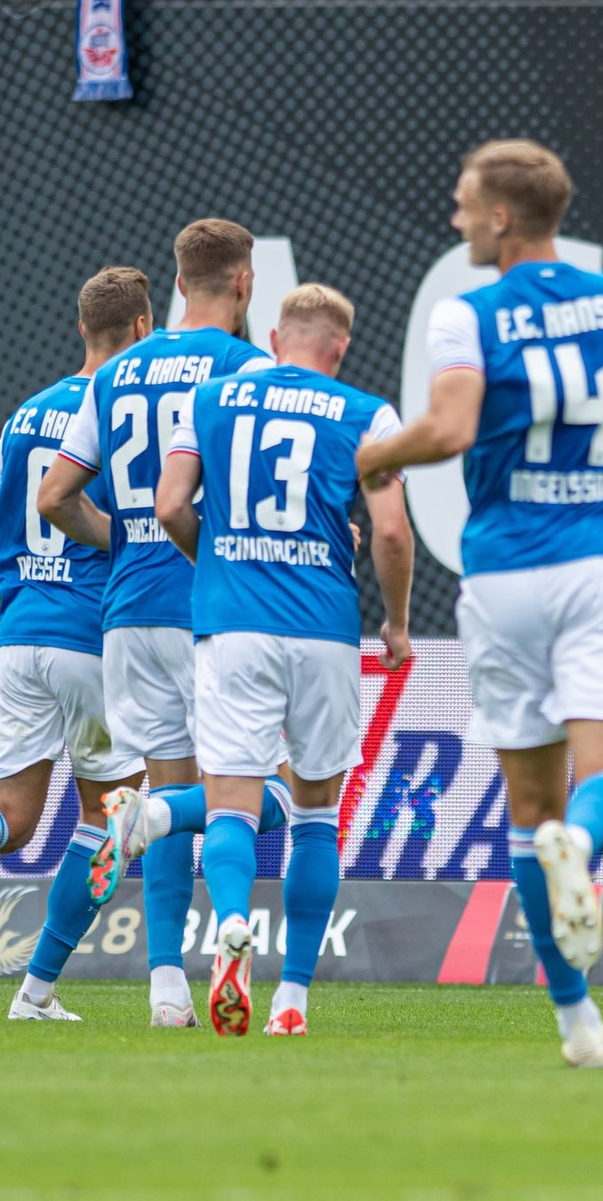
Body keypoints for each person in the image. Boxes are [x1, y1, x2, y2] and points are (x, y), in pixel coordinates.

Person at [356, 139, 603, 1066]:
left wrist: (368, 460)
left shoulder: (468, 314)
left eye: (463, 203)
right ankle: (581, 846)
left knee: (527, 810)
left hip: (501, 576)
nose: (455, 218)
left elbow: (447, 430)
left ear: (502, 219)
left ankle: (574, 1017)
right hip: (601, 566)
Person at [38, 219, 292, 1027]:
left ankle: (166, 993)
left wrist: (125, 535)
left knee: (175, 784)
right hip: (208, 610)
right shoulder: (249, 366)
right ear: (245, 285)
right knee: (258, 793)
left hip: (126, 614)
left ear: (177, 285)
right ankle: (213, 927)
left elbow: (53, 496)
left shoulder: (115, 374)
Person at [153, 282, 413, 1036]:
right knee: (315, 816)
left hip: (234, 626)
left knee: (231, 802)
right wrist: (395, 625)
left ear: (274, 339)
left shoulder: (209, 399)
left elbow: (171, 505)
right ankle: (291, 1000)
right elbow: (391, 534)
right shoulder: (368, 414)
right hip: (325, 628)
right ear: (341, 350)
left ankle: (231, 922)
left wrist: (223, 565)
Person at [1, 268, 150, 1020]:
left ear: (81, 327)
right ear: (142, 328)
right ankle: (36, 991)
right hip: (90, 633)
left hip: (19, 629)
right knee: (113, 818)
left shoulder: (24, 415)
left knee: (13, 820)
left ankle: (38, 995)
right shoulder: (123, 411)